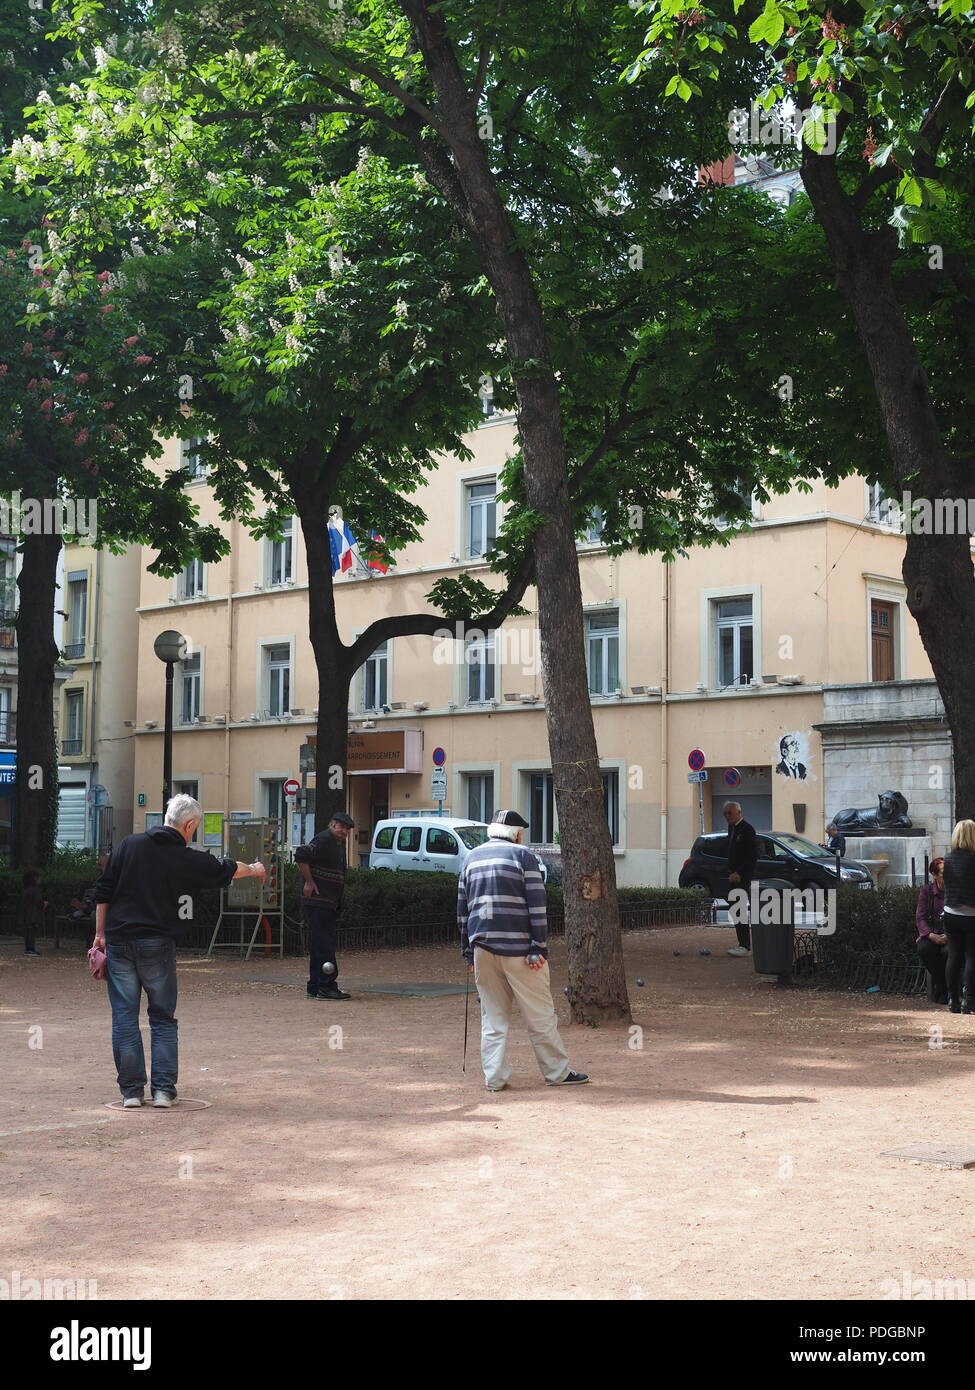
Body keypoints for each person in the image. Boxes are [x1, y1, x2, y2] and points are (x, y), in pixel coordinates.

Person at [93, 794, 265, 1108]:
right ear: (187, 825)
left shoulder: (128, 846)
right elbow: (227, 869)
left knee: (124, 1018)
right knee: (161, 1017)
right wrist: (254, 868)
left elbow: (103, 891)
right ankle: (162, 1091)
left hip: (119, 941)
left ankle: (131, 1093)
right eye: (194, 829)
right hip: (157, 944)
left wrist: (100, 934)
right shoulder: (184, 857)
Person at [457, 809, 588, 1091]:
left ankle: (494, 1078)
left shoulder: (471, 858)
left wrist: (468, 952)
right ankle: (557, 1073)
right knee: (539, 1015)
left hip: (482, 947)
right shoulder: (523, 857)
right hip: (520, 950)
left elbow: (462, 911)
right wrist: (538, 947)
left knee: (492, 1018)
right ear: (516, 833)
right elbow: (537, 907)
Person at [295, 810, 354, 1001]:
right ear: (331, 824)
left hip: (325, 901)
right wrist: (309, 882)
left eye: (347, 829)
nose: (344, 831)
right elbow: (301, 855)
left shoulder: (333, 842)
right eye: (341, 827)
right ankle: (327, 986)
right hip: (320, 901)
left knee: (318, 945)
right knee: (325, 945)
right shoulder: (325, 839)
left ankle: (315, 986)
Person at [942, 821, 975, 1014]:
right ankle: (968, 1000)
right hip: (971, 913)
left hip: (950, 912)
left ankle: (953, 999)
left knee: (954, 955)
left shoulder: (948, 858)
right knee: (971, 956)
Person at [724, 800, 758, 957]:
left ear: (739, 812)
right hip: (733, 876)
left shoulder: (747, 830)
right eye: (725, 813)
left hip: (743, 877)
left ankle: (745, 945)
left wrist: (740, 873)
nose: (727, 816)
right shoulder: (732, 828)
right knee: (736, 908)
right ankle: (743, 943)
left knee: (740, 908)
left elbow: (752, 856)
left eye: (729, 813)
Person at [916, 857, 948, 1006]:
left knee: (947, 952)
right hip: (932, 933)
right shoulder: (926, 892)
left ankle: (944, 991)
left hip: (951, 934)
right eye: (943, 872)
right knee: (924, 948)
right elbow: (920, 917)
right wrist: (929, 934)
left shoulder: (954, 892)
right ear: (934, 875)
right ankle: (943, 987)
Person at [18, 869, 46, 956]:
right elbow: (39, 903)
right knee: (31, 933)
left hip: (25, 915)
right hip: (33, 915)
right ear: (35, 879)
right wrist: (45, 904)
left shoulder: (25, 890)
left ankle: (28, 949)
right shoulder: (35, 890)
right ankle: (31, 949)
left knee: (27, 933)